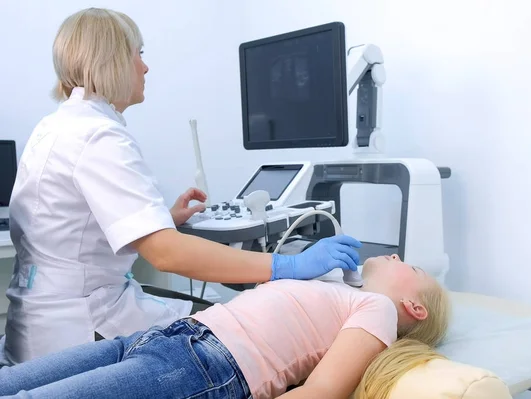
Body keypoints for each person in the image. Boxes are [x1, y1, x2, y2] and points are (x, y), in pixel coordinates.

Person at [3, 7, 362, 365]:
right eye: (138, 54)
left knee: (223, 315)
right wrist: (289, 266)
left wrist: (162, 219)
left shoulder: (56, 126)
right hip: (79, 329)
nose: (144, 67)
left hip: (38, 323)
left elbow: (72, 228)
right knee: (244, 330)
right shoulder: (99, 136)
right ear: (112, 60)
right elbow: (167, 255)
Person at [0, 254, 450, 399]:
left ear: (415, 307)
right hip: (167, 339)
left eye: (408, 264)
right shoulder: (342, 287)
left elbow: (318, 393)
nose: (394, 256)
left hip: (205, 364)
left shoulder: (379, 310)